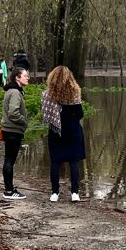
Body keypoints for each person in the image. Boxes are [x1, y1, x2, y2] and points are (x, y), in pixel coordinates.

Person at [41, 65, 85, 203]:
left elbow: (46, 115)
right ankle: (75, 193)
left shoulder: (47, 95)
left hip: (55, 131)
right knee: (73, 162)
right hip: (73, 131)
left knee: (55, 162)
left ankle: (55, 193)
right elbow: (80, 114)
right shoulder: (75, 94)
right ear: (70, 78)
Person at [0, 64, 29, 200]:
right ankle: (9, 191)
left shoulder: (12, 91)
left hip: (9, 130)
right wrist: (24, 121)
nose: (28, 78)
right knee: (9, 161)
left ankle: (9, 188)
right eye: (25, 76)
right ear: (17, 78)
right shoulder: (15, 93)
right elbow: (13, 113)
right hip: (12, 131)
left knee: (9, 160)